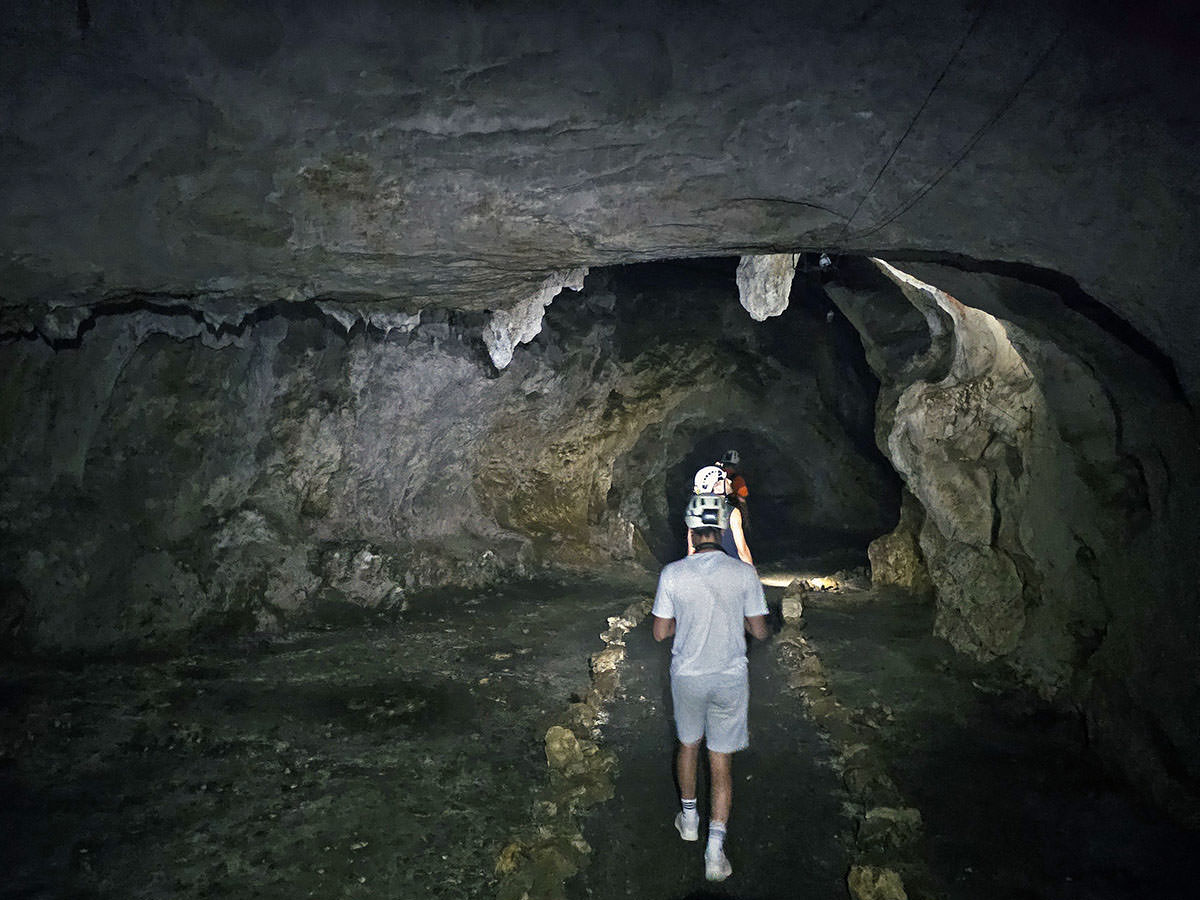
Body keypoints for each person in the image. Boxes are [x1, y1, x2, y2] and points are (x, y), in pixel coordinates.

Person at [653, 493, 770, 883]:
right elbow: (758, 629)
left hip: (688, 676)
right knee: (721, 762)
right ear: (720, 530)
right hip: (729, 678)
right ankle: (715, 851)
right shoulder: (744, 575)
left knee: (688, 745)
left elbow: (659, 633)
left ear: (691, 530)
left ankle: (688, 820)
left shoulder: (673, 574)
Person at [689, 465, 753, 566]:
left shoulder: (695, 512)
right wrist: (751, 574)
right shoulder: (732, 512)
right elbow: (742, 551)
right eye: (725, 480)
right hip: (730, 571)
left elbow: (691, 551)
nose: (730, 481)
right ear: (717, 486)